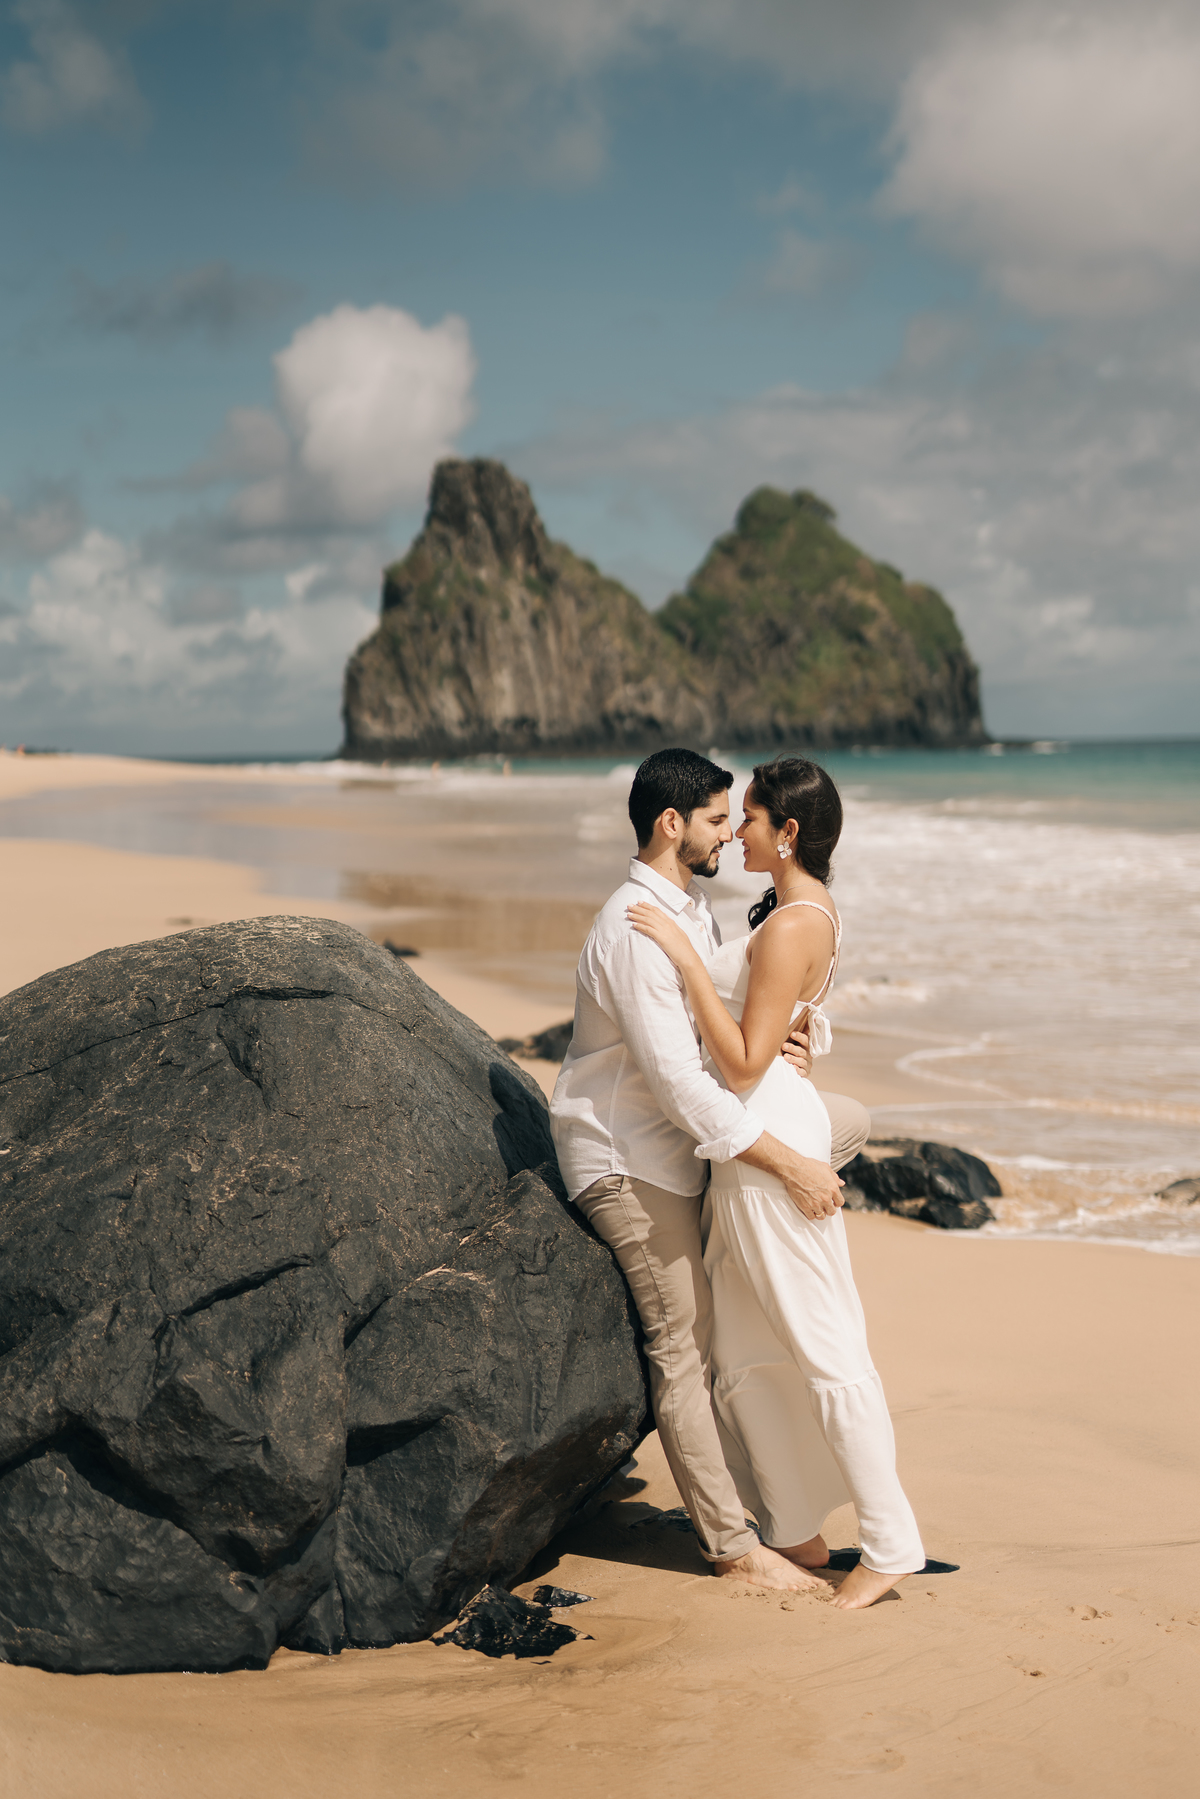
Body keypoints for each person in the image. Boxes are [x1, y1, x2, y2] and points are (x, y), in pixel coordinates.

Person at [549, 748, 871, 1595]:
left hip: (683, 1153)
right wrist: (789, 1165)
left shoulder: (689, 912)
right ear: (672, 824)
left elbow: (730, 1021)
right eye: (720, 820)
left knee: (735, 1332)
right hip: (627, 1158)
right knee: (683, 1347)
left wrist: (803, 1034)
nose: (732, 835)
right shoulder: (633, 925)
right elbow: (682, 1082)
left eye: (738, 819)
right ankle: (735, 1547)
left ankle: (779, 1517)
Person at [627, 755, 924, 1608]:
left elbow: (746, 1058)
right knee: (745, 1354)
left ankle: (892, 1543)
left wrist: (687, 962)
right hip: (749, 1150)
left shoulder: (795, 920)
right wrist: (806, 1031)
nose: (737, 832)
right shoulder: (796, 911)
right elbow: (784, 1024)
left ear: (787, 831)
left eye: (748, 818)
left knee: (825, 1346)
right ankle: (794, 1525)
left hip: (770, 1152)